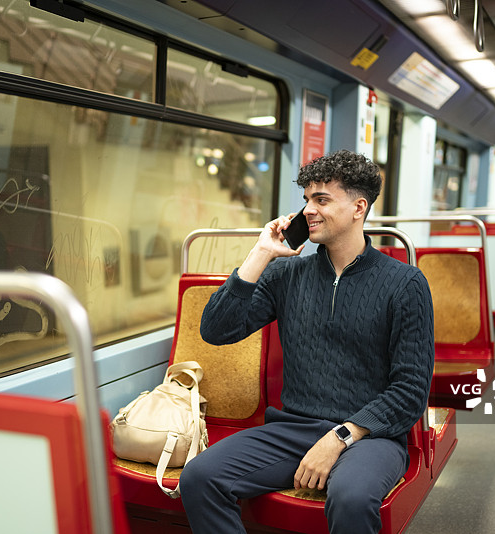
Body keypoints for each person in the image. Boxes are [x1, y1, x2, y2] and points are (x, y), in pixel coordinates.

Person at [179, 150, 435, 534]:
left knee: (350, 497)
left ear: (358, 208)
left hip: (370, 435)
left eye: (322, 200)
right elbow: (216, 330)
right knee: (200, 477)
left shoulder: (405, 284)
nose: (308, 212)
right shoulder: (286, 274)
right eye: (306, 201)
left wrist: (338, 439)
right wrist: (261, 253)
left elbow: (411, 391)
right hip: (293, 428)